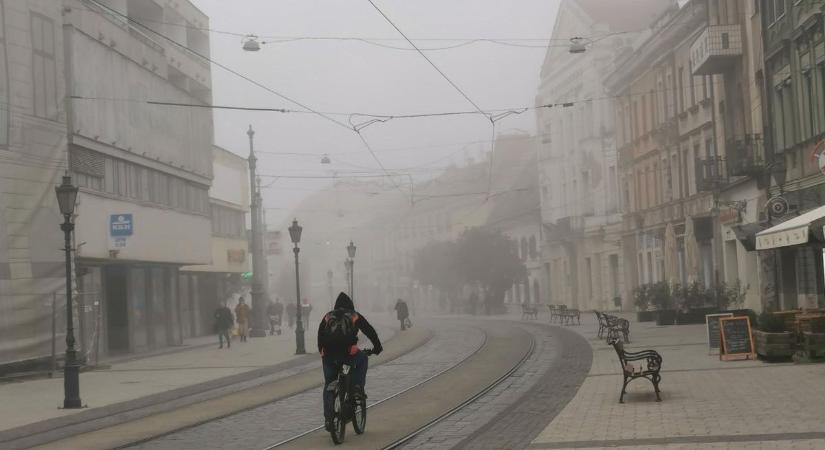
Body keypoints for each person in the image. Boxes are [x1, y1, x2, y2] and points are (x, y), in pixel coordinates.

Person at [318, 292, 382, 432]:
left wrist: (321, 351)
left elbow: (320, 334)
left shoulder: (328, 315)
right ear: (350, 305)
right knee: (363, 359)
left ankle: (329, 419)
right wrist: (377, 347)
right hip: (348, 353)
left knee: (329, 384)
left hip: (328, 355)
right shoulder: (354, 315)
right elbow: (369, 331)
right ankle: (357, 389)